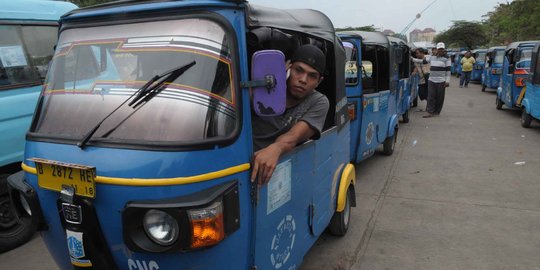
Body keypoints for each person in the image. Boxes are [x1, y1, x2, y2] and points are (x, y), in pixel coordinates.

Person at [251, 44, 330, 184]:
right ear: (287, 68)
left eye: (312, 76)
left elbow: (294, 136)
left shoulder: (319, 102)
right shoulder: (263, 88)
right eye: (298, 70)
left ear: (319, 82)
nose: (303, 80)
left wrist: (276, 148)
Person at [412, 42, 451, 118]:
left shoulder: (447, 58)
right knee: (430, 96)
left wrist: (447, 81)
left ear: (444, 50)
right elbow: (422, 61)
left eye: (442, 49)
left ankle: (437, 111)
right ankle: (430, 112)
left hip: (441, 80)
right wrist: (413, 59)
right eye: (439, 49)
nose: (440, 50)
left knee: (440, 97)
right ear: (436, 49)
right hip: (431, 80)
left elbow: (448, 70)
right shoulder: (432, 57)